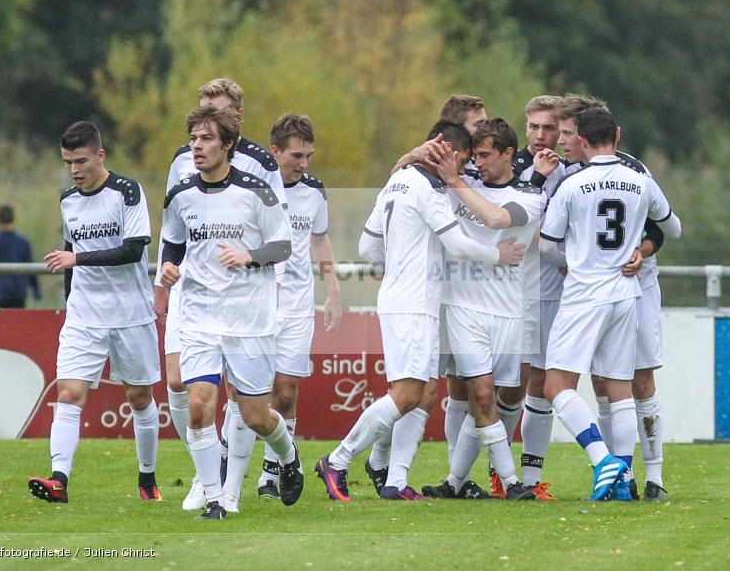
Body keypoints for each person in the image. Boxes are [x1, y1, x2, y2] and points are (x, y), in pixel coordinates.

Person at [314, 120, 526, 501]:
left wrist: (395, 268)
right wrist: (499, 254)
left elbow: (367, 247)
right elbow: (459, 245)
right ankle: (337, 460)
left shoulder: (395, 182)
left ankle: (396, 482)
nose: (461, 170)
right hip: (412, 304)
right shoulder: (428, 189)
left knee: (423, 391)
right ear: (446, 150)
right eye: (462, 160)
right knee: (409, 392)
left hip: (410, 300)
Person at [159, 105, 302, 520]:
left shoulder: (257, 192)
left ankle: (287, 456)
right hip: (200, 317)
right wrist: (168, 269)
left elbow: (284, 245)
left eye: (206, 139)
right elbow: (173, 241)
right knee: (200, 404)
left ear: (229, 145)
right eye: (193, 138)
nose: (197, 146)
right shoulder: (180, 194)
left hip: (248, 320)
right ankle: (217, 497)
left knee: (256, 416)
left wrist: (249, 255)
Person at [540, 108, 681, 501]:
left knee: (556, 386)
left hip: (585, 293)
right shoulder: (639, 180)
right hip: (626, 294)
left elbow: (549, 245)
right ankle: (623, 485)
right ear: (616, 134)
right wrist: (639, 246)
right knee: (620, 390)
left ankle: (604, 460)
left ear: (582, 140)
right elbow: (674, 227)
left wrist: (576, 258)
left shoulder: (572, 184)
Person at [28, 121, 161, 504]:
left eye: (81, 160)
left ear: (100, 156)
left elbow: (133, 249)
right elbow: (71, 262)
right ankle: (59, 480)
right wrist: (70, 300)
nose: (74, 169)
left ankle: (147, 477)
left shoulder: (127, 192)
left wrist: (78, 257)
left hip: (130, 312)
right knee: (69, 393)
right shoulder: (68, 199)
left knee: (138, 398)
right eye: (68, 162)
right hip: (84, 315)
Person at [420, 118, 550, 500]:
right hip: (462, 305)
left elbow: (495, 219)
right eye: (475, 155)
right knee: (479, 393)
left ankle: (454, 482)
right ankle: (512, 483)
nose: (479, 162)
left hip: (508, 310)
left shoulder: (529, 197)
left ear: (509, 154)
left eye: (486, 155)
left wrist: (456, 182)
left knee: (502, 397)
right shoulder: (469, 183)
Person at [255, 114, 341, 499]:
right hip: (257, 304)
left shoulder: (314, 190)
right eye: (296, 155)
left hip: (298, 304)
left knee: (285, 393)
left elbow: (320, 239)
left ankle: (273, 472)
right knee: (254, 390)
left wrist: (333, 287)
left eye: (308, 155)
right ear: (275, 151)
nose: (303, 163)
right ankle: (240, 465)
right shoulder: (254, 189)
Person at [0, 204, 41, 308]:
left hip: (2, 291)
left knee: (4, 321)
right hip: (19, 290)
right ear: (13, 218)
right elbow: (31, 268)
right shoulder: (23, 243)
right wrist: (36, 289)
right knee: (19, 321)